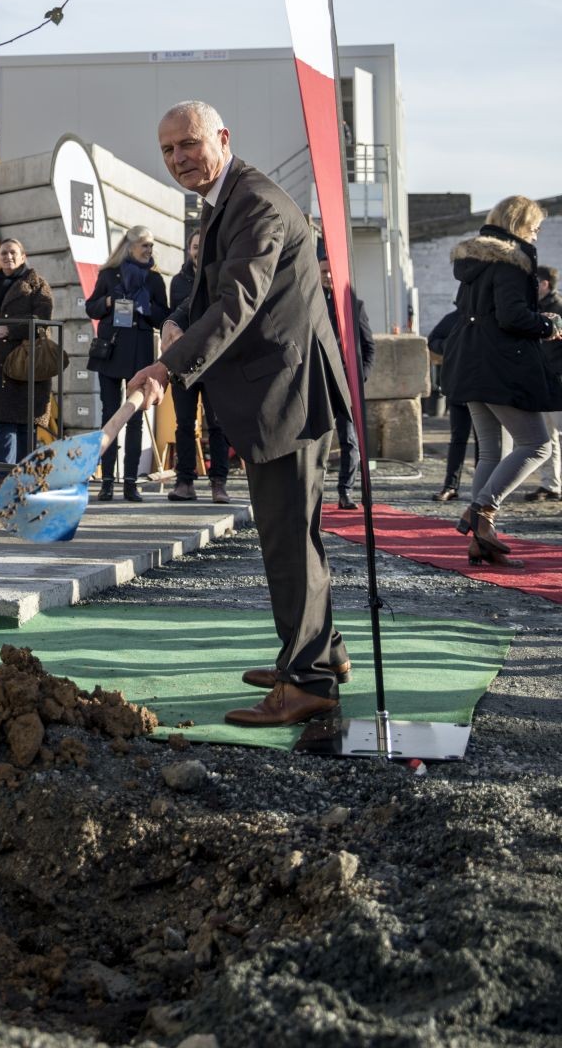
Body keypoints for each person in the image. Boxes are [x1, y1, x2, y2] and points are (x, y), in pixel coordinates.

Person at [129, 101, 352, 728]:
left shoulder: (254, 203)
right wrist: (177, 321)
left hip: (287, 394)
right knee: (294, 533)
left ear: (223, 138)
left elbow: (237, 302)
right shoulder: (225, 200)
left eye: (189, 145)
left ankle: (307, 680)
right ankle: (323, 653)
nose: (178, 159)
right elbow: (209, 289)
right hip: (279, 390)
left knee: (288, 540)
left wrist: (167, 368)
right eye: (168, 150)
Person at [441, 198, 560, 561]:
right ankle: (480, 512)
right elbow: (511, 316)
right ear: (518, 225)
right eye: (534, 228)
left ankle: (480, 543)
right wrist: (548, 325)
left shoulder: (474, 261)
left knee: (493, 451)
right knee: (538, 445)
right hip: (500, 365)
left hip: (468, 361)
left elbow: (479, 313)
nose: (535, 236)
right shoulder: (512, 262)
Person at [0, 239, 54, 500]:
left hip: (25, 362)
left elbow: (43, 319)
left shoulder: (37, 284)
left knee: (25, 422)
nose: (8, 257)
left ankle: (25, 482)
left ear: (23, 256)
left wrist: (10, 329)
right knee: (4, 421)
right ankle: (4, 481)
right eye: (3, 252)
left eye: (13, 252)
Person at [86, 227, 168, 502]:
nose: (149, 250)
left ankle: (131, 483)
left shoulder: (154, 279)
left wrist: (146, 308)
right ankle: (107, 481)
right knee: (109, 416)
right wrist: (108, 301)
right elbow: (91, 307)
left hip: (139, 356)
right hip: (110, 352)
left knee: (135, 420)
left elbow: (164, 317)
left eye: (151, 245)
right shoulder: (109, 275)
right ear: (129, 247)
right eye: (145, 245)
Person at [166, 230, 231, 505]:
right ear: (189, 249)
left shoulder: (218, 278)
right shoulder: (178, 282)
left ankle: (219, 484)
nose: (197, 250)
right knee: (184, 424)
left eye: (201, 246)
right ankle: (185, 482)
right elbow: (175, 315)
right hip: (184, 363)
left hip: (215, 361)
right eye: (194, 246)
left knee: (217, 424)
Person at [316, 243, 375, 511]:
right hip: (319, 381)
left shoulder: (354, 306)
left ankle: (345, 491)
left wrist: (360, 378)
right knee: (316, 440)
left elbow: (368, 346)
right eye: (323, 272)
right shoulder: (312, 305)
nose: (328, 276)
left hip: (347, 383)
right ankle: (314, 490)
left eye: (331, 271)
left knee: (349, 440)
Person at [428, 302, 476, 502]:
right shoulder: (453, 319)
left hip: (481, 388)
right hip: (457, 387)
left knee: (484, 441)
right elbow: (433, 340)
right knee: (458, 438)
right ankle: (450, 485)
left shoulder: (488, 319)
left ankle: (482, 487)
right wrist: (449, 346)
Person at [525, 267, 562, 503]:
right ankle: (551, 485)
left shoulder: (559, 308)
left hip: (557, 378)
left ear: (545, 284)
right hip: (543, 380)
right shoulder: (533, 309)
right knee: (547, 436)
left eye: (535, 282)